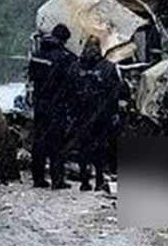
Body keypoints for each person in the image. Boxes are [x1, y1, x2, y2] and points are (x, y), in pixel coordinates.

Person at [66, 36, 122, 191]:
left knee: (83, 147)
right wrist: (113, 112)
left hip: (81, 114)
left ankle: (85, 180)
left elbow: (68, 91)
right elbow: (115, 93)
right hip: (100, 115)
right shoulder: (108, 67)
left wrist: (71, 111)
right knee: (100, 147)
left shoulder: (75, 67)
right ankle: (98, 179)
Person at [28, 24, 78, 188]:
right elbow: (70, 84)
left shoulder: (37, 55)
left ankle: (38, 178)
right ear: (64, 40)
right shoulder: (65, 58)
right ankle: (57, 180)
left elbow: (32, 77)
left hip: (40, 104)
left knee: (39, 140)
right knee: (57, 142)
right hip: (57, 106)